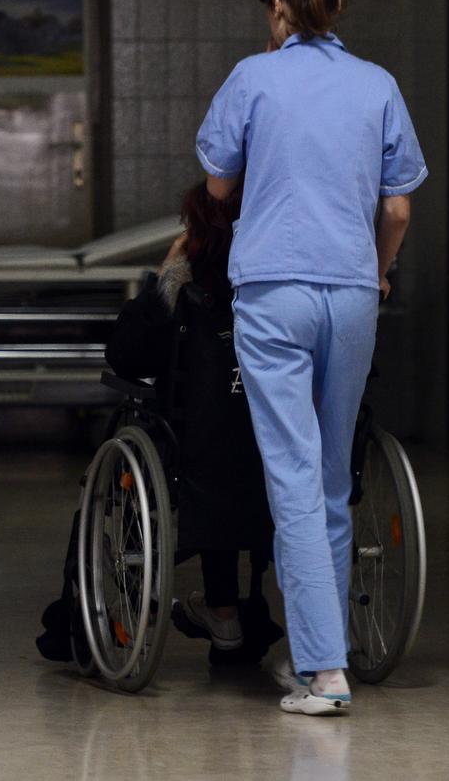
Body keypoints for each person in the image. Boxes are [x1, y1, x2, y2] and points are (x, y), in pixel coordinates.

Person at [194, 0, 425, 715]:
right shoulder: (377, 85)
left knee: (291, 474)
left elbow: (219, 183)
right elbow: (396, 208)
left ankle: (325, 671)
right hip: (354, 293)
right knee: (329, 476)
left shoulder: (254, 78)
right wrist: (380, 268)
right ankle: (310, 649)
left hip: (273, 292)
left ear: (277, 8)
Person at [104, 182, 278, 657]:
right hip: (278, 460)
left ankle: (222, 611)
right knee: (241, 451)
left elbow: (125, 358)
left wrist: (168, 274)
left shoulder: (186, 301)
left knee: (214, 451)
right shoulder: (289, 300)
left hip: (203, 459)